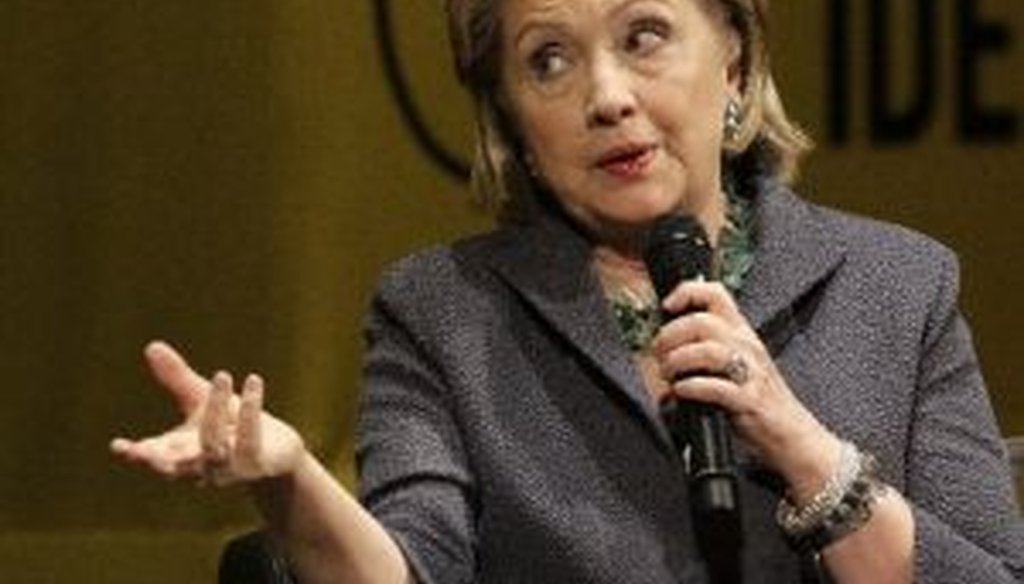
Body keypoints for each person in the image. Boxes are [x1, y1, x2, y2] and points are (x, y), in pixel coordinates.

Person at [110, 0, 1024, 582]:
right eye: (549, 59)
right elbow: (412, 570)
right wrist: (292, 482)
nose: (608, 96)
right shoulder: (442, 314)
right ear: (509, 118)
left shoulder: (900, 286)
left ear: (736, 60)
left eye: (645, 36)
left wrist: (801, 445)